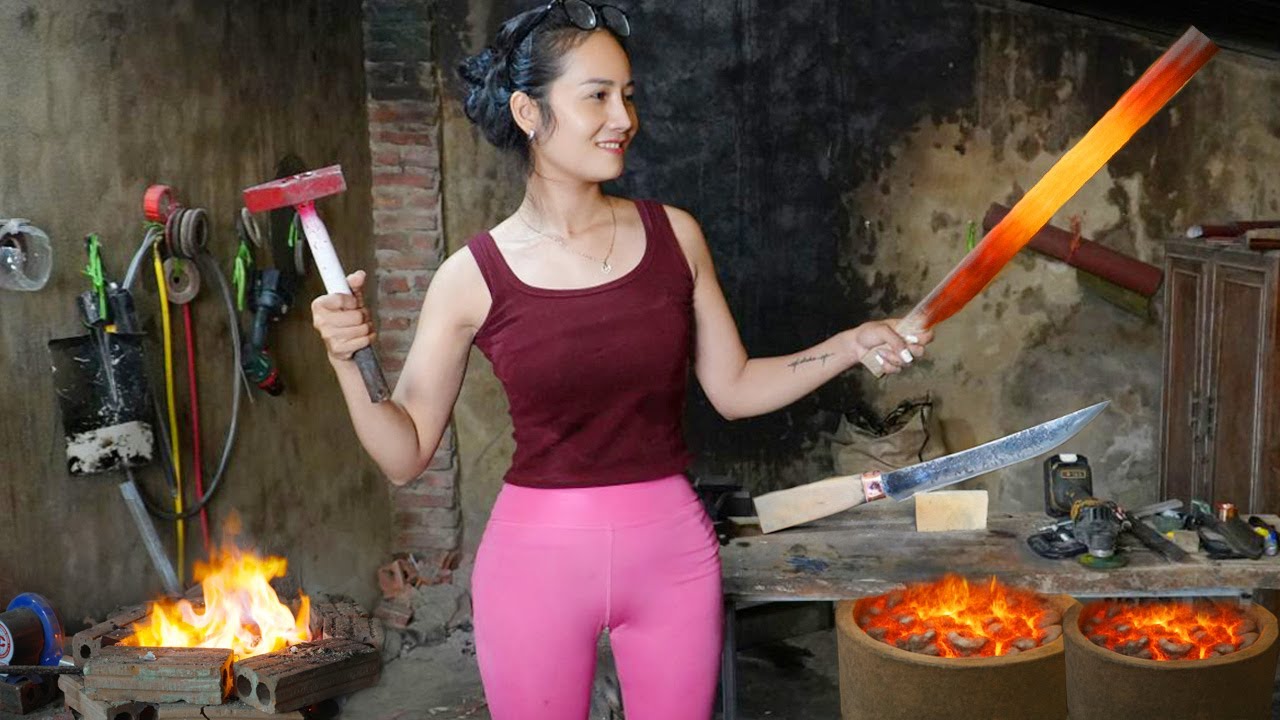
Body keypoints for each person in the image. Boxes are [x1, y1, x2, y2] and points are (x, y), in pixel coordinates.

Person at [311, 1, 932, 717]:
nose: (623, 119)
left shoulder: (676, 237)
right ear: (527, 111)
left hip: (671, 559)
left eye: (628, 96)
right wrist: (343, 360)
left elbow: (732, 387)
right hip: (535, 568)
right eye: (597, 97)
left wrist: (851, 344)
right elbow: (404, 453)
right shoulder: (470, 275)